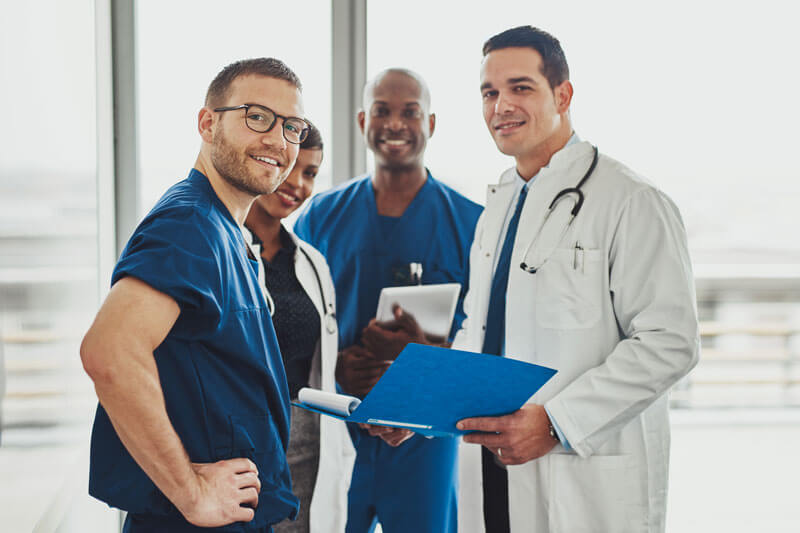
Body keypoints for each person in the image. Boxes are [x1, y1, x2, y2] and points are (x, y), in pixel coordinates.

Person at [452, 26, 700, 532]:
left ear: (562, 95)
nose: (501, 106)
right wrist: (420, 407)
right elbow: (479, 333)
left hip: (579, 473)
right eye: (489, 92)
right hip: (492, 469)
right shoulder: (496, 207)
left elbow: (670, 341)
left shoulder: (630, 200)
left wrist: (558, 422)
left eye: (520, 88)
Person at [80, 57, 310, 532]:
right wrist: (192, 492)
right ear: (208, 124)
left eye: (292, 127)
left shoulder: (227, 231)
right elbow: (110, 353)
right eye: (257, 116)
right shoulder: (189, 225)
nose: (277, 140)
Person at [294, 68, 482, 533]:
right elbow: (292, 321)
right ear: (362, 121)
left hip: (424, 436)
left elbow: (484, 335)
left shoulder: (473, 224)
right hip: (339, 425)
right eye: (382, 110)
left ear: (431, 124)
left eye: (410, 112)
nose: (395, 123)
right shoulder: (321, 216)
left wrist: (425, 363)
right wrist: (338, 366)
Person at [243, 124, 355, 533]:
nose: (297, 184)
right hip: (242, 446)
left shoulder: (312, 263)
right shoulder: (220, 249)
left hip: (307, 447)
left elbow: (320, 366)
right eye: (288, 167)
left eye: (310, 173)